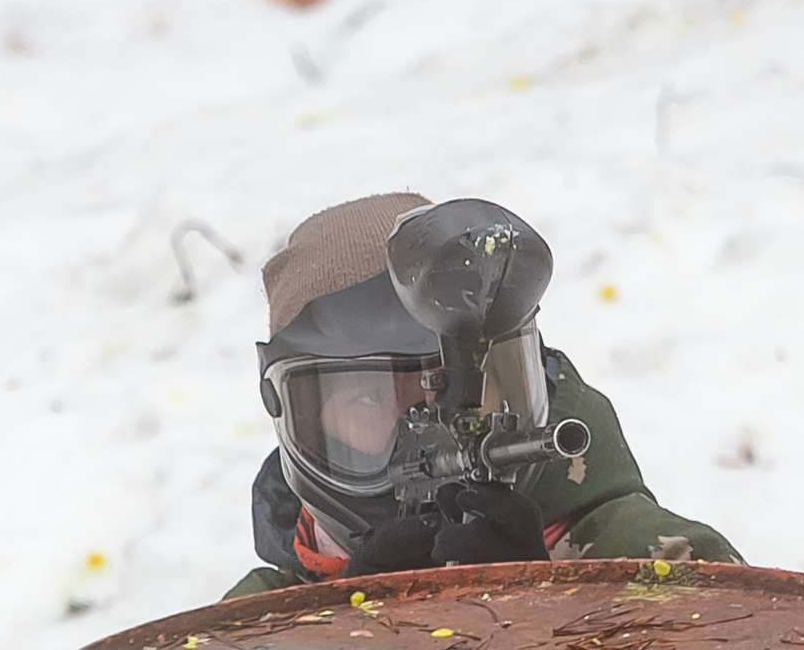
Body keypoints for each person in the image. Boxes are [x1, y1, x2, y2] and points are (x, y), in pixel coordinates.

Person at [226, 193, 739, 599]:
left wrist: (548, 614)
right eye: (368, 400)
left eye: (451, 385)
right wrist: (354, 632)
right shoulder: (249, 644)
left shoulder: (657, 568)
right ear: (302, 427)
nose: (423, 428)